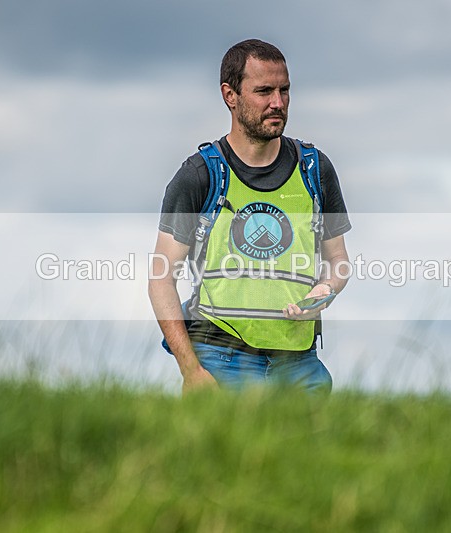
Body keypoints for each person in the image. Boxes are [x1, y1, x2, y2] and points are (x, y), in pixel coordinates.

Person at [148, 39, 351, 394]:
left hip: (300, 365)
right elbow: (161, 278)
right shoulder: (200, 175)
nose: (278, 103)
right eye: (264, 91)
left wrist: (326, 289)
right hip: (220, 359)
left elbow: (339, 262)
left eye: (284, 90)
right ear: (230, 95)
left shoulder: (315, 170)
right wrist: (191, 370)